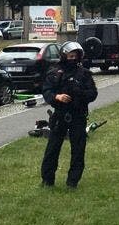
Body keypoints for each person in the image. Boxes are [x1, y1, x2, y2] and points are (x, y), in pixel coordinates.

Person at [40, 41, 98, 189]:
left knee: (78, 149)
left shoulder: (84, 74)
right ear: (64, 55)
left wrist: (79, 93)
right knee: (52, 149)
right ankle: (47, 180)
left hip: (78, 115)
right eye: (70, 55)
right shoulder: (55, 72)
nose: (72, 58)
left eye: (75, 56)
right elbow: (47, 90)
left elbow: (93, 94)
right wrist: (57, 97)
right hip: (60, 115)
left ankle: (72, 181)